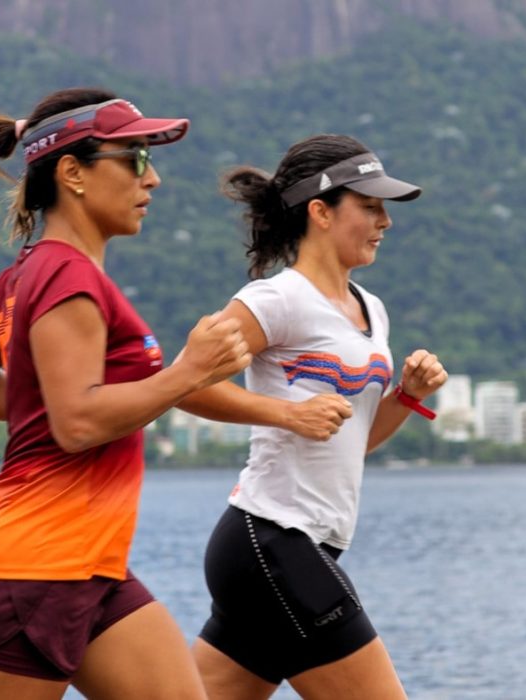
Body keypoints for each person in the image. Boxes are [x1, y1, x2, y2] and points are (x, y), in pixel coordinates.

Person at [0, 87, 257, 700]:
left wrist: (50, 405)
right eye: (133, 157)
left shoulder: (29, 271)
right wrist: (189, 372)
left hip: (92, 570)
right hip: (32, 571)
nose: (152, 178)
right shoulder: (65, 275)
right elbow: (77, 423)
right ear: (73, 172)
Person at [182, 134, 449, 700]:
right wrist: (286, 413)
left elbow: (354, 440)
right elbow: (182, 387)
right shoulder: (274, 300)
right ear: (321, 212)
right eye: (370, 207)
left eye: (385, 209)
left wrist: (405, 396)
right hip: (272, 539)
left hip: (302, 547)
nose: (386, 222)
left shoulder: (371, 309)